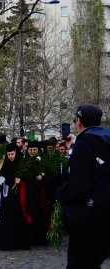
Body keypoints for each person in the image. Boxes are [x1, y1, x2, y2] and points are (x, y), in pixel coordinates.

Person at [57, 104, 110, 269]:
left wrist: (61, 193)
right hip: (105, 211)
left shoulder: (84, 142)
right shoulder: (105, 137)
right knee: (93, 262)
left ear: (79, 121)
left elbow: (80, 182)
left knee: (79, 263)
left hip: (87, 215)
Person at [0, 143, 31, 250]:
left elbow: (27, 178)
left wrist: (21, 180)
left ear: (16, 153)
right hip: (6, 198)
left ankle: (19, 242)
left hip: (17, 198)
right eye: (8, 155)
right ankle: (6, 243)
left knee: (17, 219)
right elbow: (1, 176)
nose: (10, 157)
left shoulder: (21, 164)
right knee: (6, 220)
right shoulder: (6, 164)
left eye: (12, 154)